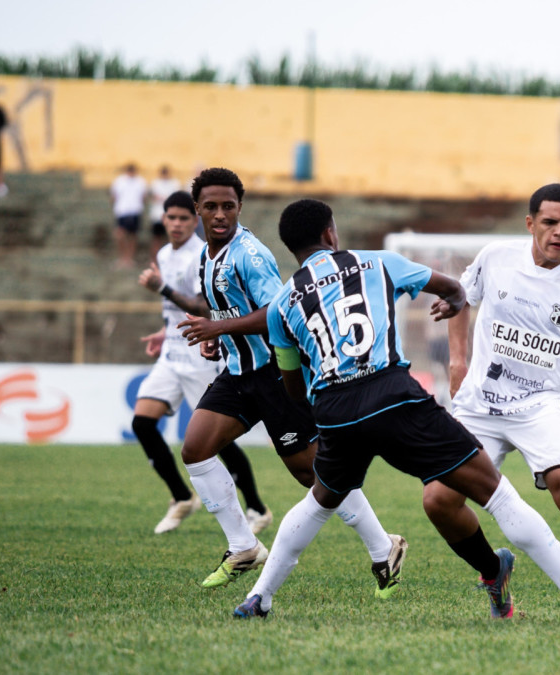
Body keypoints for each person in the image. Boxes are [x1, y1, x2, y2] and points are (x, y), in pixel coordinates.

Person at [234, 197, 560, 623]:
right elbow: (452, 289)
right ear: (332, 233)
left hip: (334, 411)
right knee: (493, 493)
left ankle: (259, 597)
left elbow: (293, 386)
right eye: (550, 221)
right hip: (393, 396)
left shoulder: (280, 303)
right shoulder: (377, 262)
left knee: (319, 501)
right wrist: (455, 304)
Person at [173, 168, 406, 598]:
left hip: (275, 375)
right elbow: (229, 312)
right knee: (196, 448)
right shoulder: (206, 257)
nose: (220, 214)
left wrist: (220, 330)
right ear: (198, 211)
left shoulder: (251, 254)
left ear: (240, 208)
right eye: (211, 207)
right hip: (239, 374)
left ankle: (383, 547)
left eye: (228, 206)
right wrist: (217, 338)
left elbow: (276, 312)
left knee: (313, 473)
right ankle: (243, 546)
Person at [425, 182, 560, 626]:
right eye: (550, 222)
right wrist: (459, 361)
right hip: (480, 404)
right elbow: (460, 298)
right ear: (530, 224)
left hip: (541, 406)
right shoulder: (495, 258)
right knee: (438, 501)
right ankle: (492, 569)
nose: (559, 232)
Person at [133, 190, 272, 535]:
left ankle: (256, 507)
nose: (177, 224)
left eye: (184, 218)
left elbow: (203, 308)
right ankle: (182, 497)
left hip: (200, 355)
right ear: (163, 220)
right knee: (142, 423)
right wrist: (164, 333)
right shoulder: (165, 254)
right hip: (172, 355)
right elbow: (177, 313)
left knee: (214, 441)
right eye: (171, 218)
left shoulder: (203, 254)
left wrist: (162, 287)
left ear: (195, 220)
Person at [110, 163, 148, 269]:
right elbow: (114, 196)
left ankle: (129, 258)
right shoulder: (119, 181)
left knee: (132, 236)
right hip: (122, 211)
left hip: (135, 211)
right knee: (120, 234)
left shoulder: (140, 181)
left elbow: (143, 197)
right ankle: (123, 257)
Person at [148, 165, 182, 261]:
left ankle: (170, 259)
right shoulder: (156, 183)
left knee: (171, 239)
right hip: (157, 216)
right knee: (156, 239)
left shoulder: (174, 183)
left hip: (170, 216)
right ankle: (154, 260)